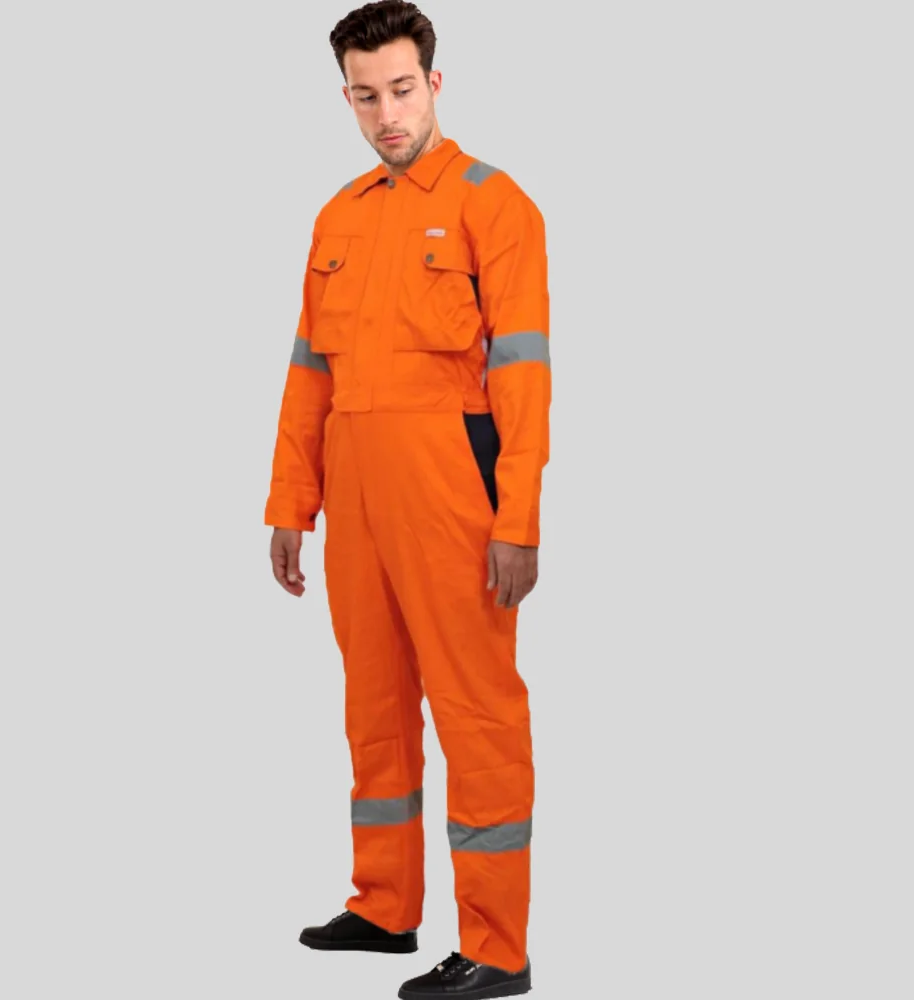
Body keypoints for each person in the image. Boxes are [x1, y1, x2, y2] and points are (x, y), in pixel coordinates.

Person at [263, 2, 550, 996]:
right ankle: (384, 905)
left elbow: (523, 376)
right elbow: (309, 373)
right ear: (343, 96)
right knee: (374, 702)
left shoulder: (493, 205)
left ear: (434, 83)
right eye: (363, 96)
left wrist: (517, 519)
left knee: (475, 711)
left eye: (399, 90)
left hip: (450, 493)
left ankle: (496, 946)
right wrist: (289, 501)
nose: (385, 115)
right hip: (353, 495)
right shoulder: (337, 217)